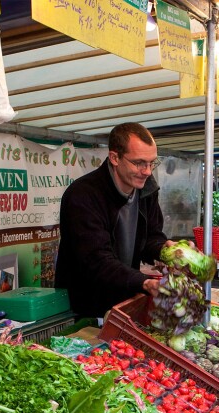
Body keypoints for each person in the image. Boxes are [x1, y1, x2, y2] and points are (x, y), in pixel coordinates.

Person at [55, 122, 170, 318]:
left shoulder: (147, 189)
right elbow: (97, 260)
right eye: (139, 163)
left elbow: (151, 237)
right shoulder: (83, 196)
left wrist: (168, 250)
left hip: (123, 301)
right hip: (86, 307)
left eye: (152, 163)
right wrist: (144, 282)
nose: (148, 171)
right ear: (114, 157)